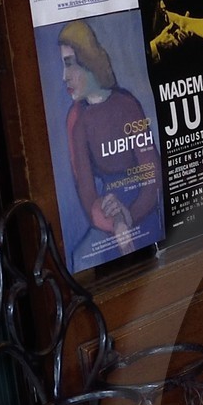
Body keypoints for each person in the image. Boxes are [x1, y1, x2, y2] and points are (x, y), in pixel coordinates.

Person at [58, 20, 161, 257]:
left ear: (87, 61)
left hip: (142, 208)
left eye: (69, 64)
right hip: (106, 212)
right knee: (81, 258)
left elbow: (153, 175)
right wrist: (114, 221)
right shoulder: (76, 118)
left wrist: (129, 216)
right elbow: (86, 191)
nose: (64, 77)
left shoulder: (127, 105)